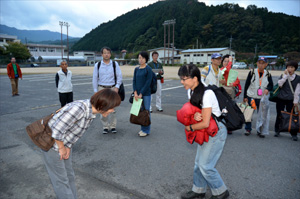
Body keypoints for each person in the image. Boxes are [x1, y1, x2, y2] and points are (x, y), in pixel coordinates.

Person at [41, 89, 121, 199]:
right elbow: (56, 130)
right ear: (103, 105)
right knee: (61, 181)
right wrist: (61, 148)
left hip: (64, 144)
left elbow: (73, 132)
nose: (112, 110)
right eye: (112, 108)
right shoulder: (78, 109)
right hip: (52, 145)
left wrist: (68, 146)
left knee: (69, 175)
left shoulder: (91, 112)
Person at [179, 64, 229, 199]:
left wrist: (189, 128)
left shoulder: (207, 94)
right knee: (198, 164)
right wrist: (195, 116)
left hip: (216, 131)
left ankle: (221, 191)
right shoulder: (190, 91)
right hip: (205, 131)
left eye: (184, 79)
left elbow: (205, 122)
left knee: (205, 166)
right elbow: (196, 113)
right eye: (181, 79)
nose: (181, 82)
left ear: (194, 78)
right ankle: (199, 189)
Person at [92, 47, 123, 134]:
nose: (106, 54)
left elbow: (119, 76)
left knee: (113, 109)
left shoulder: (114, 64)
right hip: (101, 89)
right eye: (104, 53)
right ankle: (105, 126)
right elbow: (95, 79)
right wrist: (96, 91)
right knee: (102, 108)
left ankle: (113, 126)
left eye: (108, 53)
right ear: (102, 54)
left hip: (112, 88)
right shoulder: (97, 65)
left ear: (110, 54)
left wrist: (117, 87)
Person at [243, 57, 273, 138]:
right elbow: (246, 84)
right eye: (259, 63)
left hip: (261, 98)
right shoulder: (252, 72)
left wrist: (267, 89)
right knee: (249, 114)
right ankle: (248, 129)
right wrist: (245, 96)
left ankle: (260, 130)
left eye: (263, 63)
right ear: (257, 63)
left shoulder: (268, 73)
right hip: (251, 96)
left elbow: (271, 85)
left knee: (262, 115)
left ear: (266, 64)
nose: (261, 65)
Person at [274, 61, 300, 141]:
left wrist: (295, 101)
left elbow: (297, 91)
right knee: (279, 114)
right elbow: (280, 84)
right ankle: (277, 130)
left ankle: (293, 133)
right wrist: (285, 76)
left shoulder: (298, 78)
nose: (290, 69)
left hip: (291, 100)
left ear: (295, 68)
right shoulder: (283, 75)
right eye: (288, 67)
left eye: (292, 67)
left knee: (292, 116)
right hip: (281, 98)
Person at [133, 51, 152, 137]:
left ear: (146, 59)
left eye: (142, 58)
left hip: (146, 94)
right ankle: (142, 128)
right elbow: (134, 81)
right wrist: (135, 92)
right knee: (139, 111)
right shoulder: (136, 69)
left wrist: (141, 93)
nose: (140, 60)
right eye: (139, 58)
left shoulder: (148, 69)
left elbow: (148, 83)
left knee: (146, 111)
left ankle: (146, 130)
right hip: (137, 94)